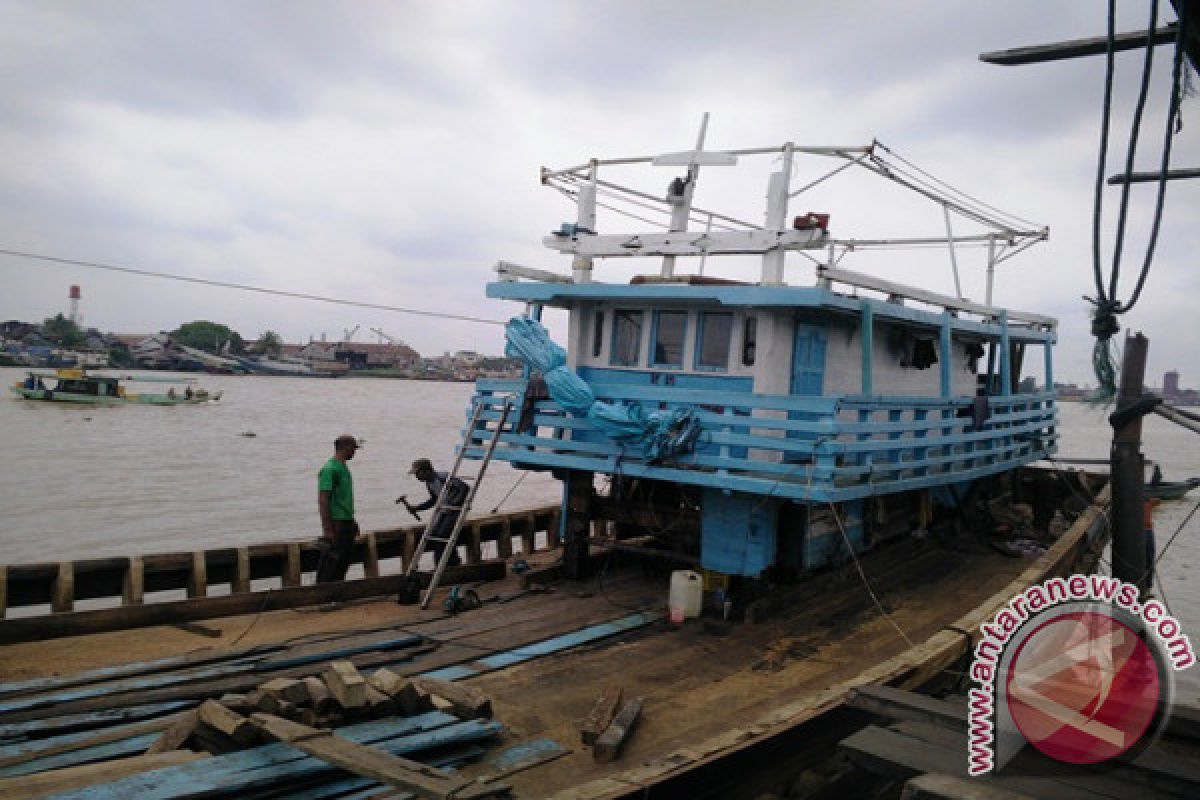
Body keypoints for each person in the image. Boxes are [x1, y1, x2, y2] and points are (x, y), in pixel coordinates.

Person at [398, 458, 469, 569]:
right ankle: (451, 562)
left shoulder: (442, 477)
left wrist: (454, 504)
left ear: (426, 471)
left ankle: (443, 566)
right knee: (434, 534)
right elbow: (434, 500)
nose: (416, 477)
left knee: (442, 535)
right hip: (445, 510)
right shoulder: (429, 483)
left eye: (417, 473)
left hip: (455, 511)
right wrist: (417, 508)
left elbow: (464, 488)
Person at [316, 434, 362, 583]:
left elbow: (344, 499)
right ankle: (325, 595)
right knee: (332, 561)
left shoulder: (343, 467)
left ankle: (337, 593)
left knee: (345, 559)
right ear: (346, 448)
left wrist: (353, 521)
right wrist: (327, 529)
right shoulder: (330, 469)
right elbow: (323, 500)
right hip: (337, 522)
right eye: (354, 448)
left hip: (346, 520)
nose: (354, 452)